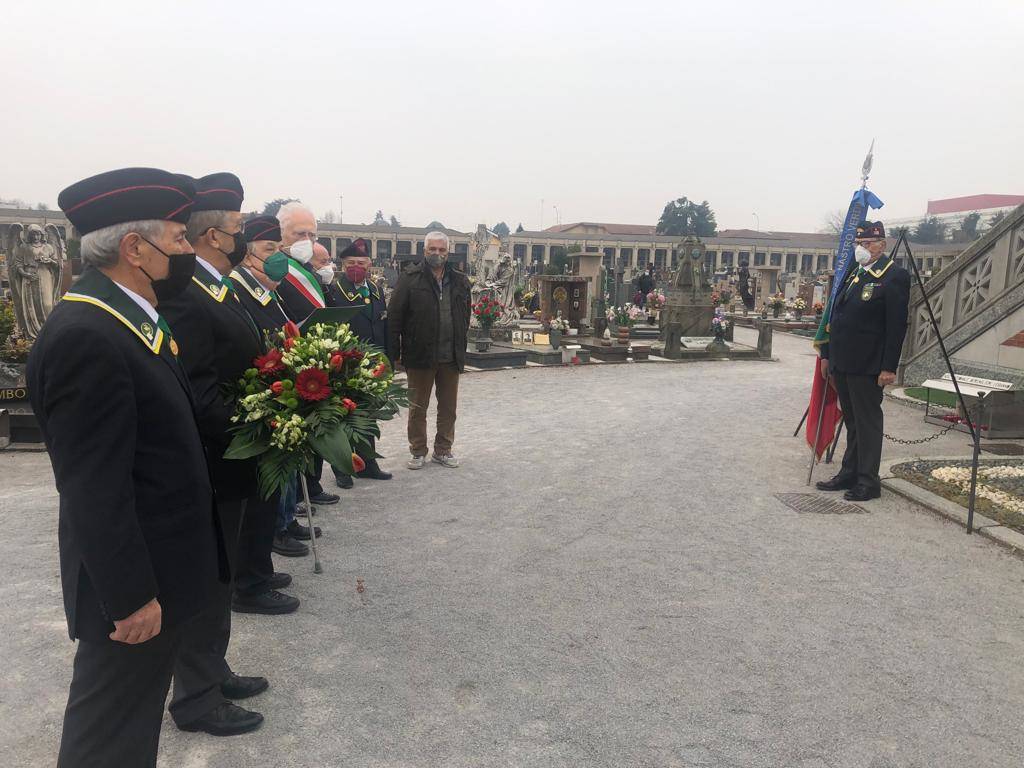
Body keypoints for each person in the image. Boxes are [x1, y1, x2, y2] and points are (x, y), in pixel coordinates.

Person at [29, 167, 228, 767]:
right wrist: (130, 597)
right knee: (107, 737)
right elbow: (94, 488)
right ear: (133, 248)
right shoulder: (86, 336)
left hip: (159, 570)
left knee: (132, 728)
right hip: (135, 589)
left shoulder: (126, 321)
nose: (187, 252)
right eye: (178, 239)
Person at [159, 173, 268, 736]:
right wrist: (260, 424)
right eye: (236, 227)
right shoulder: (186, 295)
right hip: (212, 457)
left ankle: (212, 668)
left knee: (220, 575)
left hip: (231, 455)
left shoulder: (217, 286)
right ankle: (196, 697)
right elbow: (198, 391)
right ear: (210, 237)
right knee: (205, 578)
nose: (242, 235)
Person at [227, 216, 308, 604]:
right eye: (268, 251)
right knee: (255, 503)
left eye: (279, 250)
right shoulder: (237, 290)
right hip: (254, 405)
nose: (277, 259)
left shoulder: (266, 292)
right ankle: (248, 583)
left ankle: (259, 569)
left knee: (266, 501)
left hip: (273, 401)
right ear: (247, 255)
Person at [816, 221, 910, 502]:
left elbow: (896, 325)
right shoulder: (855, 274)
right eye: (860, 244)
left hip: (868, 364)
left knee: (867, 423)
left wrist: (888, 367)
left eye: (868, 243)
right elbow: (838, 317)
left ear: (882, 245)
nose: (862, 248)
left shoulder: (893, 276)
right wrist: (828, 355)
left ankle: (869, 481)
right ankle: (849, 472)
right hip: (844, 361)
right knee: (853, 421)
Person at [388, 230, 471, 469]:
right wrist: (395, 354)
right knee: (417, 407)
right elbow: (395, 318)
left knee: (448, 407)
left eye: (442, 250)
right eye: (432, 249)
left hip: (450, 355)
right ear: (424, 251)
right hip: (419, 354)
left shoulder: (459, 280)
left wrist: (460, 344)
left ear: (448, 252)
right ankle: (418, 450)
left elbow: (465, 315)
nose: (437, 254)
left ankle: (443, 450)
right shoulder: (410, 278)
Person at [325, 238, 393, 486]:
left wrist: (387, 361)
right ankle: (342, 467)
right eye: (351, 263)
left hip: (373, 363)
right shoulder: (333, 291)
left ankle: (367, 462)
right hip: (346, 365)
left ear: (370, 264)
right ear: (342, 265)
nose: (357, 267)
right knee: (343, 416)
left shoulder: (376, 290)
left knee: (368, 415)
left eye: (361, 262)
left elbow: (384, 326)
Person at [275, 201, 326, 325]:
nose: (307, 240)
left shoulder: (311, 271)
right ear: (280, 235)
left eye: (312, 235)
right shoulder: (270, 271)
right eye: (301, 234)